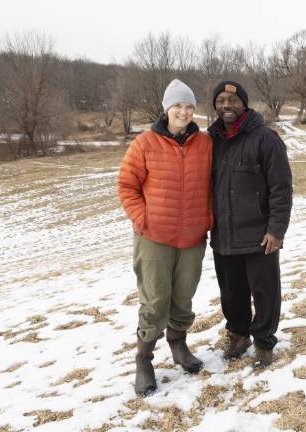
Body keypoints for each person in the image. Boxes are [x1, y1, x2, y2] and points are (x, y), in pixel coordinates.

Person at [117, 79, 213, 396]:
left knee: (182, 298)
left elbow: (215, 184)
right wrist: (142, 218)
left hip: (193, 238)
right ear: (166, 109)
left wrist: (208, 218)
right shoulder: (145, 143)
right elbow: (127, 185)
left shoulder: (205, 144)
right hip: (154, 238)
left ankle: (178, 345)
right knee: (156, 301)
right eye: (177, 106)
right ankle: (144, 360)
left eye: (189, 106)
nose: (184, 112)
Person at [208, 80, 292, 369]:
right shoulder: (212, 140)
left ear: (244, 103)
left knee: (265, 291)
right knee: (232, 292)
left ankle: (264, 342)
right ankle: (239, 335)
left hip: (260, 235)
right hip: (224, 235)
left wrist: (276, 230)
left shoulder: (265, 139)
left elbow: (281, 188)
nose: (226, 106)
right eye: (220, 101)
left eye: (232, 100)